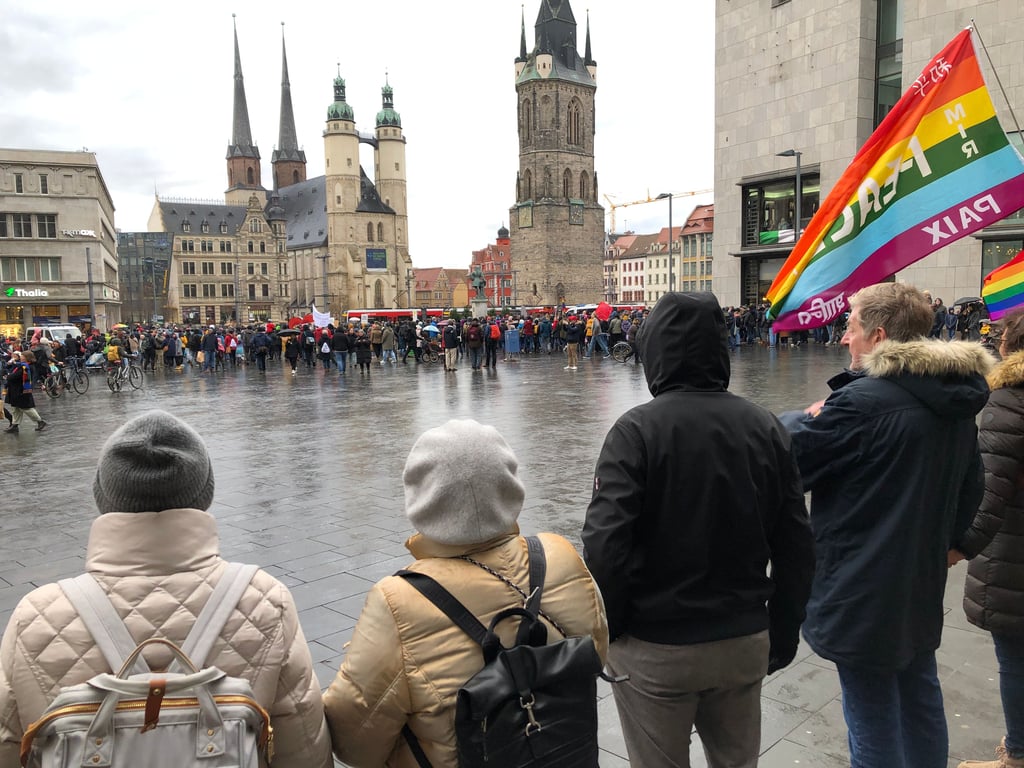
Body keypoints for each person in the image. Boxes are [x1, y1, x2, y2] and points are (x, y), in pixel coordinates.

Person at [0, 410, 332, 768]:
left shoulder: (35, 615)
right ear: (204, 494)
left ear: (103, 496)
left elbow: (8, 743)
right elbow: (304, 746)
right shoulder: (265, 600)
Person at [582, 291, 814, 768]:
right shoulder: (765, 427)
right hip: (742, 636)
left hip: (657, 643)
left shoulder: (636, 431)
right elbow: (796, 543)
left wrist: (614, 628)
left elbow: (605, 544)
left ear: (655, 353)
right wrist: (783, 628)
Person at [779, 282, 992, 768]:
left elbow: (788, 460)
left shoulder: (862, 403)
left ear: (877, 336)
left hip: (861, 585)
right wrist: (948, 544)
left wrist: (807, 415)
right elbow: (972, 487)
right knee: (920, 697)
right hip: (919, 581)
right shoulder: (952, 399)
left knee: (871, 716)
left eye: (849, 327)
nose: (843, 338)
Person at [323, 419, 609, 767]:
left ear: (422, 497)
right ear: (509, 484)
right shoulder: (560, 554)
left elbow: (354, 742)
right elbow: (596, 651)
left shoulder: (397, 600)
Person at [953, 309, 1024, 768]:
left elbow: (991, 491)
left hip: (1015, 549)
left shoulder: (1010, 398)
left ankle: (1017, 753)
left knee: (1015, 656)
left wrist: (959, 547)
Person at [3, 351, 47, 434]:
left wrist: (8, 377)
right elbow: (11, 369)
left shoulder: (27, 367)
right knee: (15, 408)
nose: (21, 357)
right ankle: (15, 425)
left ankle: (40, 421)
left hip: (21, 390)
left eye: (22, 356)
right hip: (15, 390)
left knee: (26, 408)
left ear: (27, 357)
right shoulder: (21, 365)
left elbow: (17, 375)